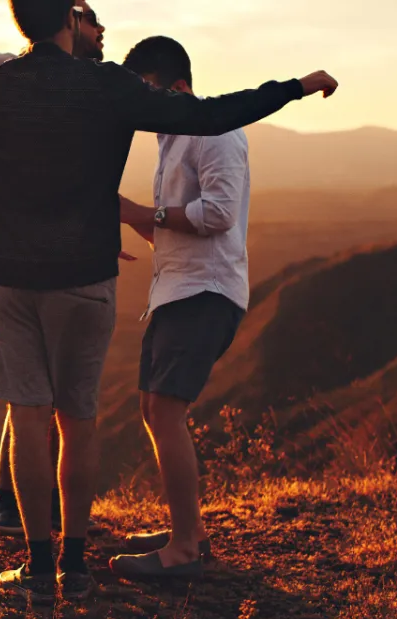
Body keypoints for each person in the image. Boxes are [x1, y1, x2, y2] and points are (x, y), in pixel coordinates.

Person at [0, 1, 337, 605]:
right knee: (78, 421)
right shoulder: (109, 84)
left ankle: (39, 567)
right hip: (87, 275)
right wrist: (297, 86)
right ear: (70, 22)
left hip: (13, 276)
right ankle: (76, 566)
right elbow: (212, 115)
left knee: (28, 418)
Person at [0, 0, 108, 537]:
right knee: (34, 394)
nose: (102, 30)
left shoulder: (83, 86)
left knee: (40, 393)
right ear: (68, 21)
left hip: (60, 258)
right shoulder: (10, 74)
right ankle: (10, 504)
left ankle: (26, 512)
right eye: (91, 17)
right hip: (16, 263)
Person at [108, 36, 255, 579]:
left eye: (143, 91)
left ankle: (183, 551)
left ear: (175, 86)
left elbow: (217, 214)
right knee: (154, 410)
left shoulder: (213, 132)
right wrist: (127, 218)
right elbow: (174, 228)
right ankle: (186, 530)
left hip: (206, 292)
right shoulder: (173, 139)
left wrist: (144, 211)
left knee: (166, 412)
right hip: (177, 289)